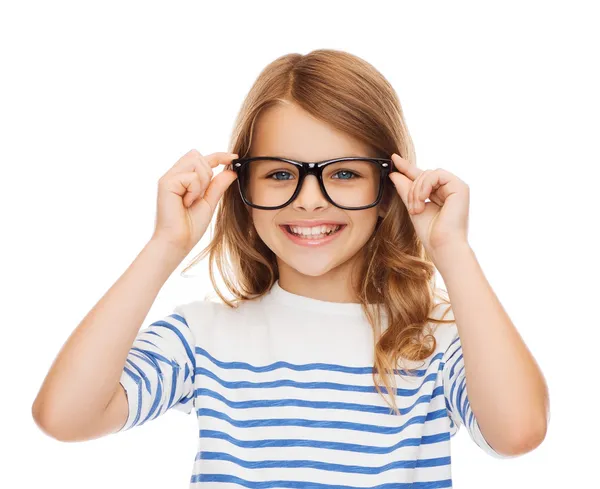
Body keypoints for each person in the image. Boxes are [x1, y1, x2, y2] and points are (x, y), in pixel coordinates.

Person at [32, 49, 549, 488]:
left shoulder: (435, 343)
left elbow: (518, 433)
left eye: (344, 173)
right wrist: (166, 244)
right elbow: (65, 417)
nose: (308, 201)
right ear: (242, 187)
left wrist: (452, 251)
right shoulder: (204, 337)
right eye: (280, 173)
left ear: (388, 187)